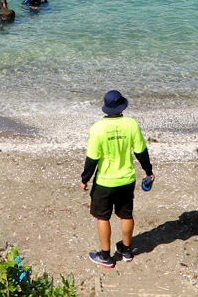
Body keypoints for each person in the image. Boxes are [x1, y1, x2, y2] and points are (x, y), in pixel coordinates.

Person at [80, 89, 152, 269]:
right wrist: (148, 171)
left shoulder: (97, 128)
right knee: (126, 214)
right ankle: (126, 251)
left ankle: (105, 256)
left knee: (102, 217)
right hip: (126, 179)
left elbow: (92, 159)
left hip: (105, 181)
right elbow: (141, 152)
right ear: (122, 107)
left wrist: (85, 179)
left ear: (106, 108)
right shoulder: (131, 124)